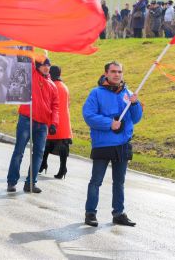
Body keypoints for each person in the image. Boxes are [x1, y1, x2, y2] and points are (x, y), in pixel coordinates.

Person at [82, 61, 142, 227]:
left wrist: (135, 104)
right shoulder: (96, 93)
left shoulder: (128, 93)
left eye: (119, 71)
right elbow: (88, 116)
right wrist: (109, 123)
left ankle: (118, 213)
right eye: (114, 71)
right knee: (96, 180)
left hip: (122, 144)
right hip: (103, 144)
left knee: (119, 182)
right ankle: (90, 213)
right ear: (106, 73)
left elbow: (136, 118)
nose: (117, 74)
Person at [6, 57, 59, 194]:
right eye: (43, 65)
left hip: (42, 125)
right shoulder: (31, 75)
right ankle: (12, 182)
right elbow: (27, 57)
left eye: (48, 65)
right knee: (19, 151)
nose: (46, 67)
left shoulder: (53, 85)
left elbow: (55, 106)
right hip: (26, 119)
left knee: (39, 154)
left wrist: (54, 123)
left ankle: (31, 183)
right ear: (37, 66)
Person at [39, 65, 72, 179]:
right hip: (64, 120)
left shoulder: (51, 86)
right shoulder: (64, 86)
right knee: (62, 145)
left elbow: (47, 102)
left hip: (53, 118)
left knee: (46, 142)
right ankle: (62, 168)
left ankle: (43, 164)